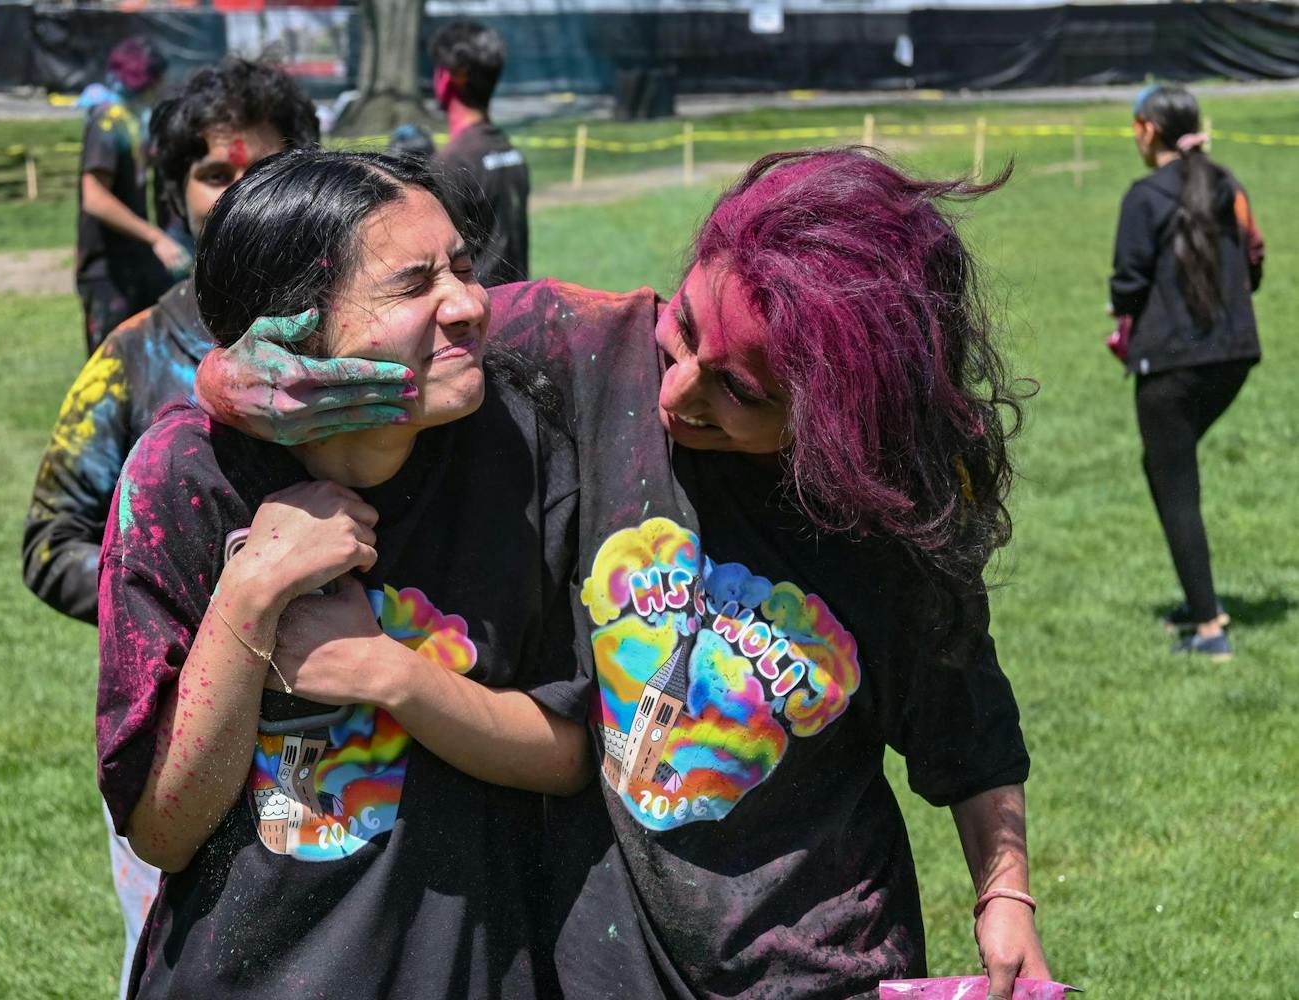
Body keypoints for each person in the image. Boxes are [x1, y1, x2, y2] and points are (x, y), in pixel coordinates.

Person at [193, 149, 1051, 999]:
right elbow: (376, 349)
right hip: (604, 970)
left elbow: (968, 734)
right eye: (686, 330)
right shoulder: (584, 349)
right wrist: (225, 379)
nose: (678, 393)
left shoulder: (886, 522)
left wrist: (1004, 897)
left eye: (740, 392)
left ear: (840, 419)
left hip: (817, 967)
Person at [97, 150, 591, 997]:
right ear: (294, 328)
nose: (469, 305)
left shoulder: (515, 444)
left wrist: (385, 672)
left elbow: (569, 753)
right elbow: (162, 832)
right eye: (413, 285)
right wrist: (251, 593)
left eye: (464, 267)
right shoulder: (185, 476)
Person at [22, 58, 359, 997]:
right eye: (215, 174)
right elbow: (49, 540)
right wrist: (201, 607)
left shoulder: (360, 340)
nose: (240, 192)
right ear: (175, 196)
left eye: (267, 167)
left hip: (351, 737)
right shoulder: (133, 354)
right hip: (178, 733)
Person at [1111, 84, 1264, 660]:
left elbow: (1127, 284)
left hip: (1172, 363)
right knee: (1167, 467)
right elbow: (1254, 260)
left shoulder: (1144, 196)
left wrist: (1125, 315)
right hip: (1235, 355)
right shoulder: (1228, 184)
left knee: (1174, 481)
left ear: (1148, 129)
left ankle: (1209, 629)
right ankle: (1199, 597)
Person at [76, 36, 186, 355]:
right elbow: (94, 198)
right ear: (148, 80)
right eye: (161, 80)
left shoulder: (130, 121)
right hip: (108, 273)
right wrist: (157, 238)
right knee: (112, 367)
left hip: (137, 263)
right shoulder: (107, 121)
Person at [430, 21, 530, 287]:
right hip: (517, 301)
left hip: (479, 307)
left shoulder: (450, 164)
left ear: (448, 77)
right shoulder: (510, 152)